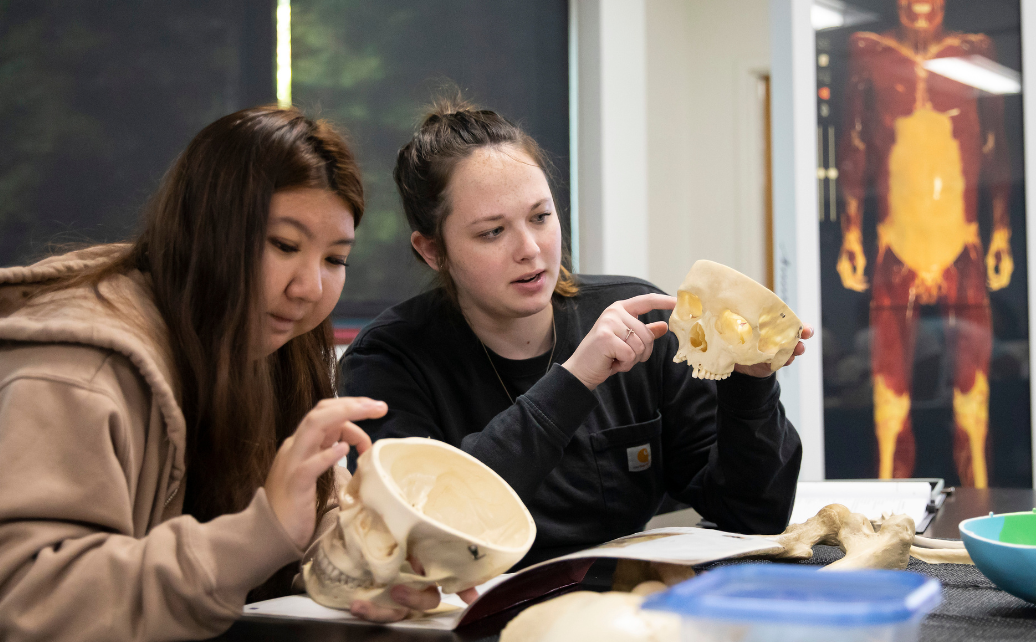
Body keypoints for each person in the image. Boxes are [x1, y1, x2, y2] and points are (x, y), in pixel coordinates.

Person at [0, 107, 446, 642]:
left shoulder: (269, 347)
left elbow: (298, 519)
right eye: (284, 245)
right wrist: (261, 531)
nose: (309, 287)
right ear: (207, 230)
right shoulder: (70, 367)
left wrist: (366, 565)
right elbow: (12, 612)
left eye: (335, 259)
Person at [338, 101, 811, 566]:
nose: (530, 249)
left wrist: (750, 383)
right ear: (432, 251)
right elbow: (426, 529)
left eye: (540, 217)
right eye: (491, 232)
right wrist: (575, 380)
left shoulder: (637, 318)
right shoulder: (385, 361)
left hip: (619, 614)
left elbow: (753, 513)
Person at [835, 0, 1012, 487]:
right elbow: (854, 146)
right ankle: (890, 517)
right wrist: (850, 235)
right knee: (889, 408)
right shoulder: (868, 51)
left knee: (973, 402)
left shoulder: (974, 51)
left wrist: (1001, 232)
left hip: (961, 240)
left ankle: (980, 510)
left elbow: (995, 148)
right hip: (896, 243)